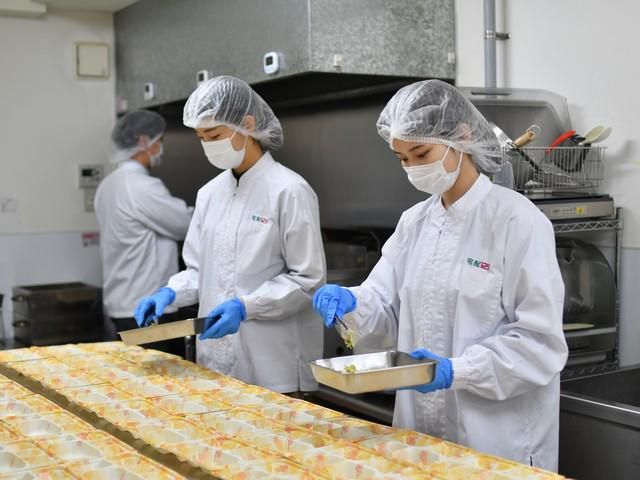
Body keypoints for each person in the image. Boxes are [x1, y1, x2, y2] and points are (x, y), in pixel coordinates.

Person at [312, 80, 568, 471]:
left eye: (421, 153)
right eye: (402, 158)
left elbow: (538, 342)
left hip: (497, 439)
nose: (413, 168)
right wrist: (352, 303)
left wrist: (456, 371)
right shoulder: (414, 223)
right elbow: (383, 304)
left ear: (461, 137)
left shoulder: (518, 221)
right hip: (421, 430)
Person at [134, 76, 326, 394]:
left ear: (247, 125)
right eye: (201, 137)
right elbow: (199, 270)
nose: (208, 145)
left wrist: (247, 306)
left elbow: (308, 281)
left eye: (214, 135)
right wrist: (169, 294)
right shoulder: (209, 194)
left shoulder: (290, 190)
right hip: (215, 362)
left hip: (273, 367)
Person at [95, 110, 192, 354]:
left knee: (135, 374)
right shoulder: (140, 185)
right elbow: (184, 223)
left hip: (121, 303)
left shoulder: (108, 185)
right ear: (143, 141)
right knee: (161, 376)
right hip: (147, 306)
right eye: (159, 141)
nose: (160, 148)